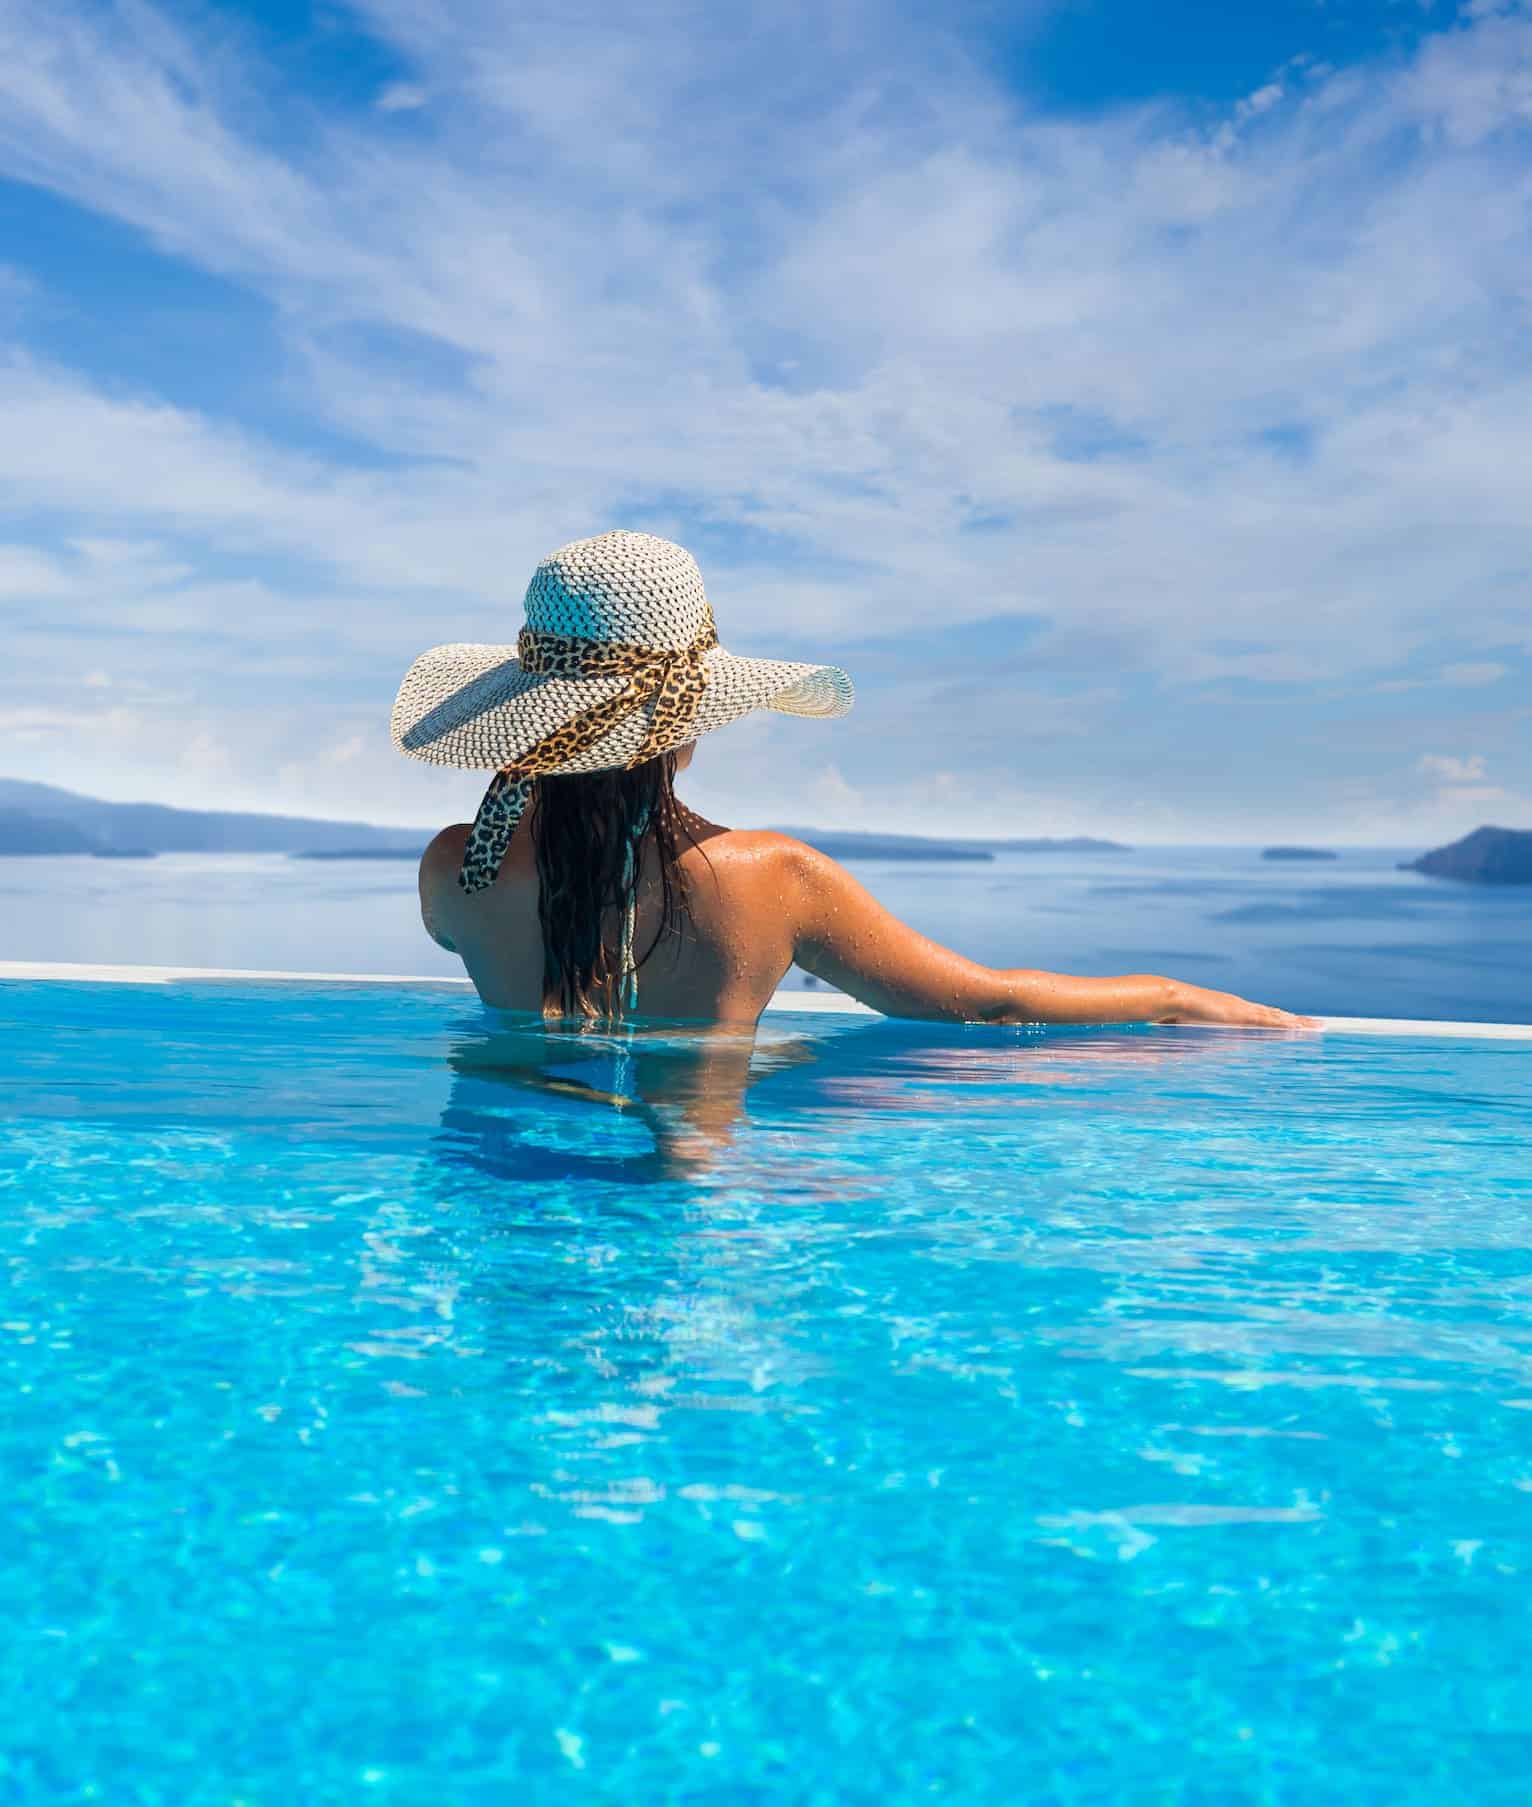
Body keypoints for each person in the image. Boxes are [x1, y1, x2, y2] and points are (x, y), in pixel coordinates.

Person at [395, 531, 1313, 1031]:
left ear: (536, 714)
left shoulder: (455, 872)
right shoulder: (769, 882)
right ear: (688, 726)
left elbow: (517, 958)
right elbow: (986, 1003)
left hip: (500, 1206)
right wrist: (1172, 998)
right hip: (683, 1212)